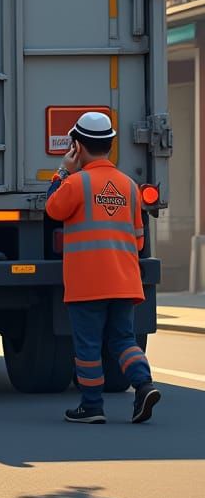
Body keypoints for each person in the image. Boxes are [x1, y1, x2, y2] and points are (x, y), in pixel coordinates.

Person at [45, 111, 161, 425]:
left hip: (87, 284)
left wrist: (61, 172)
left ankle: (92, 406)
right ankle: (144, 385)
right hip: (125, 281)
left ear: (77, 147)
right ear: (110, 145)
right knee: (124, 340)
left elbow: (53, 208)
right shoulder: (129, 186)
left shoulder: (76, 183)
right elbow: (138, 240)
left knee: (88, 345)